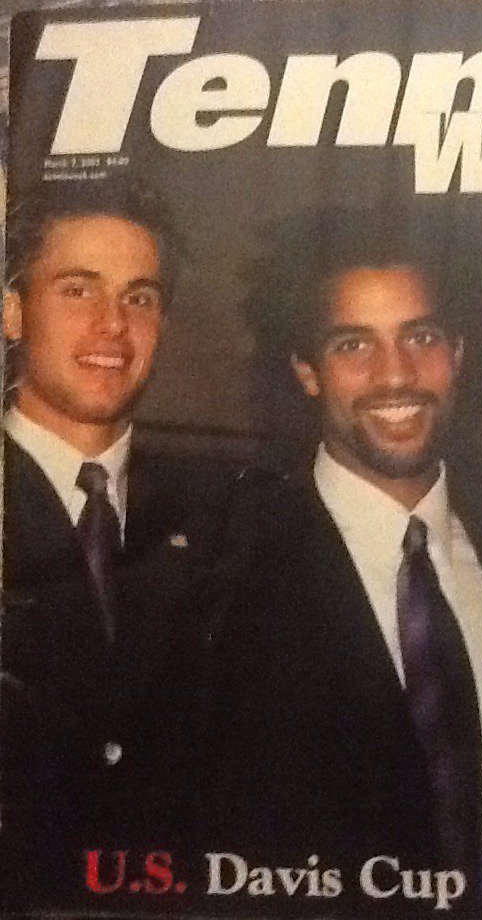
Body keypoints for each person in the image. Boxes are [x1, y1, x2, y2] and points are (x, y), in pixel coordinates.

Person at [201, 209, 482, 913]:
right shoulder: (225, 578)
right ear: (306, 371)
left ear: (458, 353)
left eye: (422, 336)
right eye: (354, 344)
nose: (396, 373)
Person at [0, 180, 244, 905]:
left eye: (139, 297)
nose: (113, 324)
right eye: (78, 290)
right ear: (12, 310)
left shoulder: (226, 516)